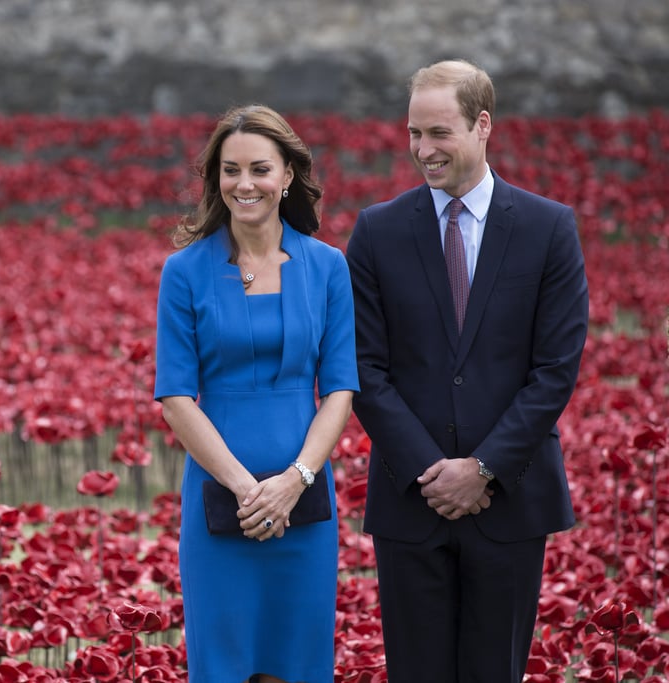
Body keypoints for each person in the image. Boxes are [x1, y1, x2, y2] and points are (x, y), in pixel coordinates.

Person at [345, 59, 589, 682]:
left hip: (508, 500)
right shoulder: (376, 231)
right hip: (411, 501)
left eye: (439, 133)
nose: (423, 150)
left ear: (483, 125)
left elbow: (555, 369)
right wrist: (434, 472)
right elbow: (364, 368)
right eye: (413, 133)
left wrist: (482, 470)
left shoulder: (548, 228)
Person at [153, 104, 358, 683]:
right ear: (216, 178)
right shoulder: (184, 271)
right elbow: (174, 396)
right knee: (223, 665)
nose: (245, 184)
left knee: (297, 664)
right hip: (223, 500)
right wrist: (247, 490)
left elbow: (340, 389)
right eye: (230, 170)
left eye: (260, 169)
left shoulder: (328, 268)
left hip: (305, 500)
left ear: (288, 175)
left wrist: (294, 481)